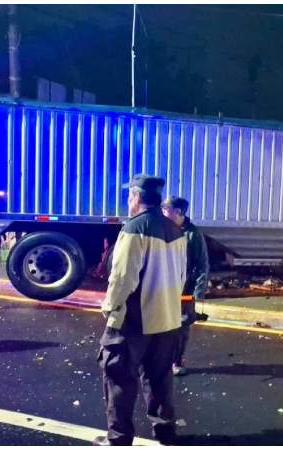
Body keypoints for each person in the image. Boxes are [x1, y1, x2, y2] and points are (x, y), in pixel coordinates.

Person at [93, 175, 188, 446]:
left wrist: (110, 308)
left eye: (129, 196)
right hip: (167, 320)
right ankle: (165, 432)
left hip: (135, 321)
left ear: (136, 197)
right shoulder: (175, 230)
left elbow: (123, 278)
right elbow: (180, 277)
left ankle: (119, 439)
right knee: (159, 380)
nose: (128, 200)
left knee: (120, 378)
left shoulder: (135, 228)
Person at [162, 196, 210, 376]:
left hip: (184, 291)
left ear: (178, 212)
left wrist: (198, 291)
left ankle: (177, 360)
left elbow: (202, 264)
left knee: (181, 327)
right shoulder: (161, 230)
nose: (163, 211)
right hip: (163, 288)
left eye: (166, 209)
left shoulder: (193, 234)